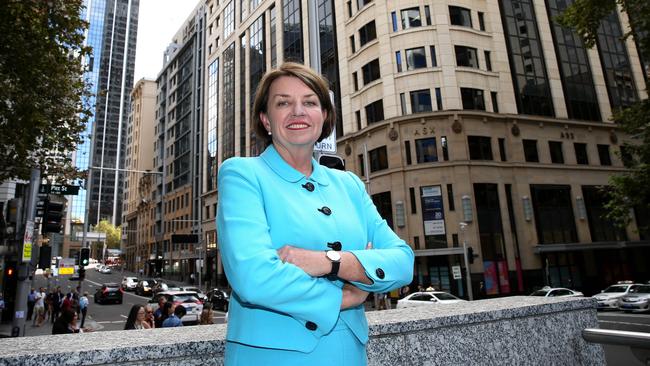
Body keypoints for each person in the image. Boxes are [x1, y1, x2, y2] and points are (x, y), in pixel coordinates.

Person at [216, 62, 414, 365]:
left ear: (324, 117)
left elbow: (402, 261)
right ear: (266, 120)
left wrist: (329, 262)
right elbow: (254, 275)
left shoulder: (349, 185)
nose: (298, 111)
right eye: (283, 103)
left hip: (349, 353)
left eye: (310, 102)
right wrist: (345, 296)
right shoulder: (241, 174)